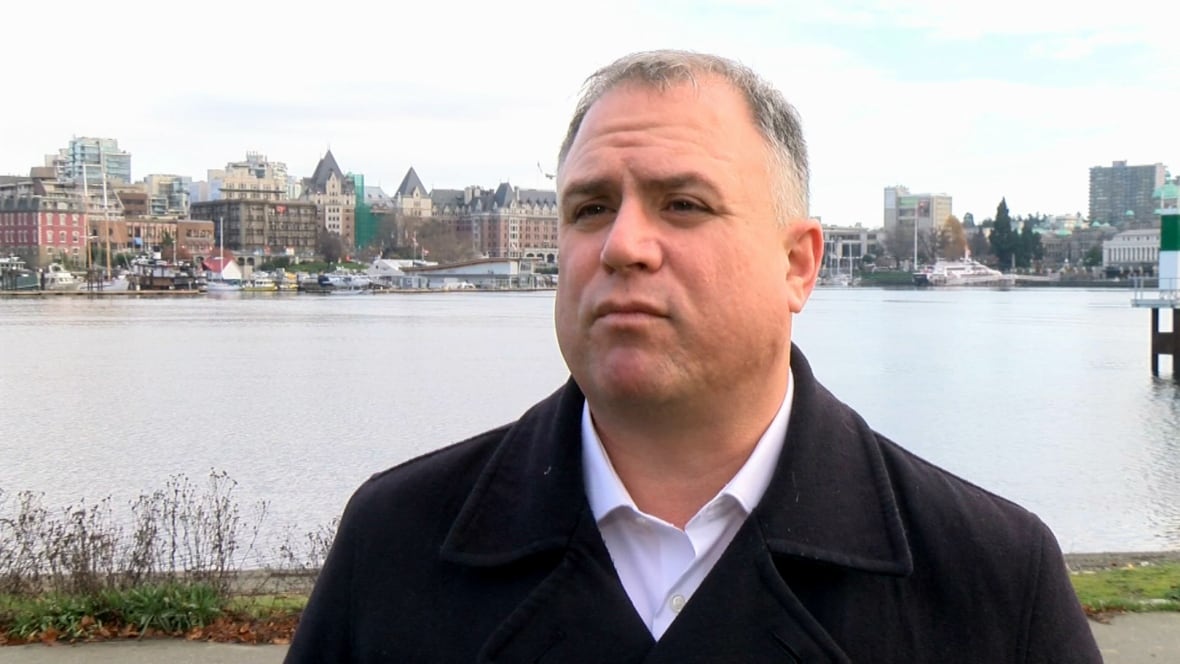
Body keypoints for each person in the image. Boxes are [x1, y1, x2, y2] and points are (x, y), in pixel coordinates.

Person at [285, 50, 1100, 662]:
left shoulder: (992, 580)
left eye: (683, 204)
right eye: (590, 207)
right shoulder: (394, 544)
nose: (622, 245)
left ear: (798, 264)